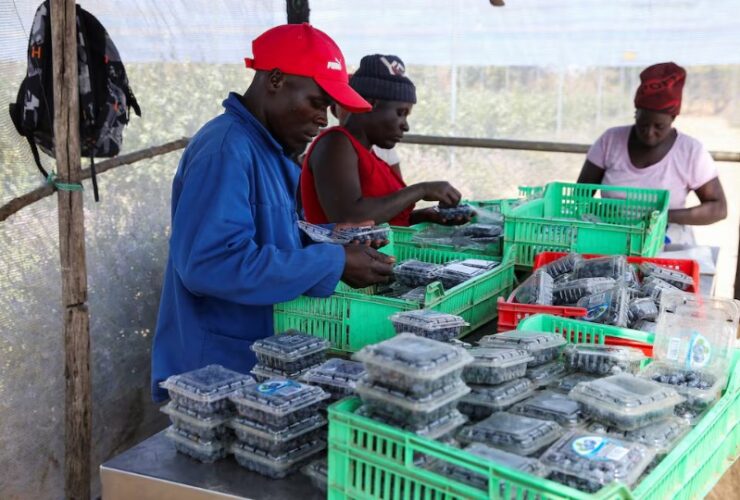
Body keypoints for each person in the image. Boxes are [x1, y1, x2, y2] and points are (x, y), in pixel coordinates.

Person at [150, 24, 395, 401]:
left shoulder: (270, 150)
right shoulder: (226, 149)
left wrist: (335, 237)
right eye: (317, 103)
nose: (323, 120)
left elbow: (269, 235)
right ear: (277, 80)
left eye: (330, 109)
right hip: (215, 375)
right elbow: (210, 263)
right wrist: (332, 262)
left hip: (255, 358)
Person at [301, 54, 471, 227]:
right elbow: (350, 218)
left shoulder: (371, 156)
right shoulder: (335, 143)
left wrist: (425, 215)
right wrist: (422, 189)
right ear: (370, 104)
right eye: (400, 113)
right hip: (337, 255)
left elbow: (380, 219)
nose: (405, 126)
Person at [577, 62, 727, 245]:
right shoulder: (610, 141)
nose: (649, 133)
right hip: (613, 237)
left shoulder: (691, 152)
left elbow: (718, 208)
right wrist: (602, 212)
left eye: (659, 126)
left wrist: (662, 217)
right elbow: (580, 196)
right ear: (635, 114)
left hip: (668, 241)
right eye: (643, 124)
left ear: (673, 118)